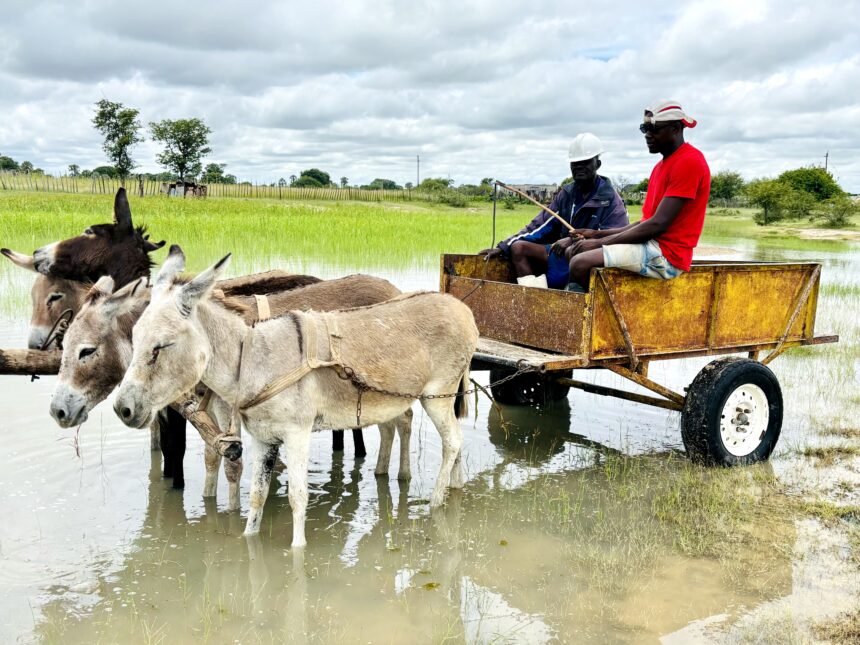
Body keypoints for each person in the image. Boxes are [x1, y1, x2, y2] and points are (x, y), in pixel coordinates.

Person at [564, 100, 711, 292]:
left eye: (653, 129)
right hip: (652, 246)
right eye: (644, 129)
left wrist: (598, 243)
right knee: (572, 251)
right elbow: (646, 221)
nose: (648, 135)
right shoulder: (661, 167)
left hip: (666, 255)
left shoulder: (689, 162)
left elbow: (658, 225)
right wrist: (596, 234)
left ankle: (606, 314)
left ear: (675, 128)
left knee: (580, 262)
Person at [479, 133, 628, 289]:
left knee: (577, 258)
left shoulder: (610, 199)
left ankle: (568, 297)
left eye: (585, 162)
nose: (579, 167)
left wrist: (571, 241)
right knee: (519, 247)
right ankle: (535, 298)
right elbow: (538, 226)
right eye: (575, 163)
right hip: (561, 254)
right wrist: (503, 247)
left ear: (597, 164)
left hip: (588, 260)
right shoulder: (567, 194)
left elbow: (614, 239)